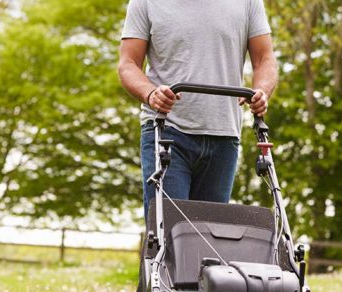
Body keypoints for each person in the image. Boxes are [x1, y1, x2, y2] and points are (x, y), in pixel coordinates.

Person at [117, 0, 278, 220]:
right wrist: (151, 93)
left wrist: (261, 91)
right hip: (167, 131)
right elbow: (128, 63)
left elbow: (264, 59)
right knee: (168, 234)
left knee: (210, 240)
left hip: (224, 137)